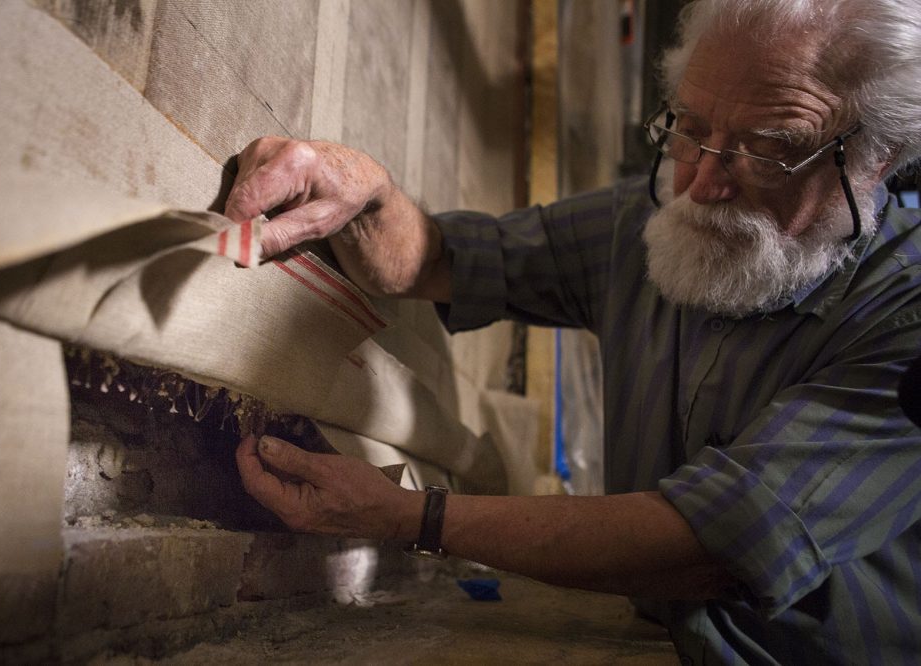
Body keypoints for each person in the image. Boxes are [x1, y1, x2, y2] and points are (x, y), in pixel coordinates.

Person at [226, 0, 921, 662]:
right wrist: (368, 196)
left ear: (875, 159)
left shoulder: (905, 317)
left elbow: (719, 545)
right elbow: (447, 260)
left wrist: (413, 517)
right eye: (690, 127)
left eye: (767, 152)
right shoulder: (651, 218)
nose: (703, 183)